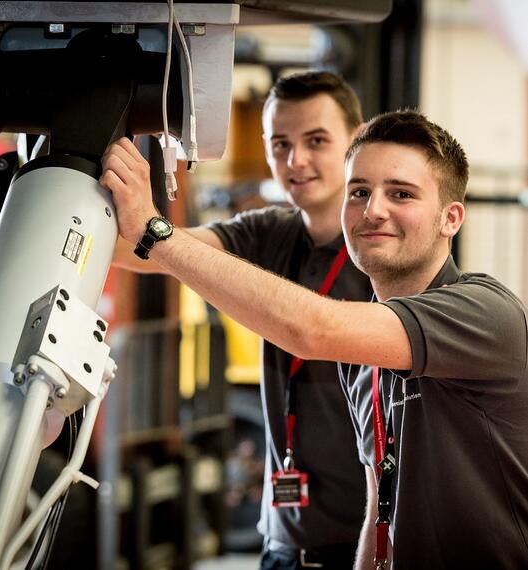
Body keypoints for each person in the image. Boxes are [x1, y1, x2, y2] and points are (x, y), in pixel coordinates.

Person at [101, 110, 528, 569]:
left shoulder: (487, 313)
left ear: (451, 218)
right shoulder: (361, 357)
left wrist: (155, 231)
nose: (373, 210)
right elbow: (378, 507)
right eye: (359, 192)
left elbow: (312, 330)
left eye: (401, 193)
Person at [110, 72, 372, 569]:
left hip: (358, 547)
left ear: (356, 140)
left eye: (316, 141)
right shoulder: (269, 232)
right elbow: (160, 252)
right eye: (280, 143)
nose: (295, 161)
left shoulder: (382, 252)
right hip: (281, 544)